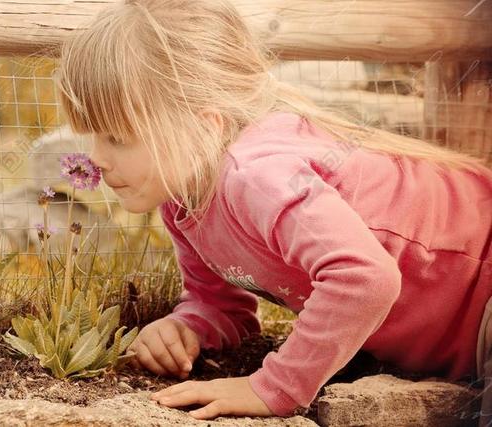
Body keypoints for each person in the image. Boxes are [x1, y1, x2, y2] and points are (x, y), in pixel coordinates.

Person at [54, 0, 492, 422]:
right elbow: (223, 306)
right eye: (92, 137)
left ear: (205, 126)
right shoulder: (182, 200)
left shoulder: (258, 176)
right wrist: (189, 326)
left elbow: (365, 277)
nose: (97, 159)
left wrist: (274, 386)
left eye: (117, 138)